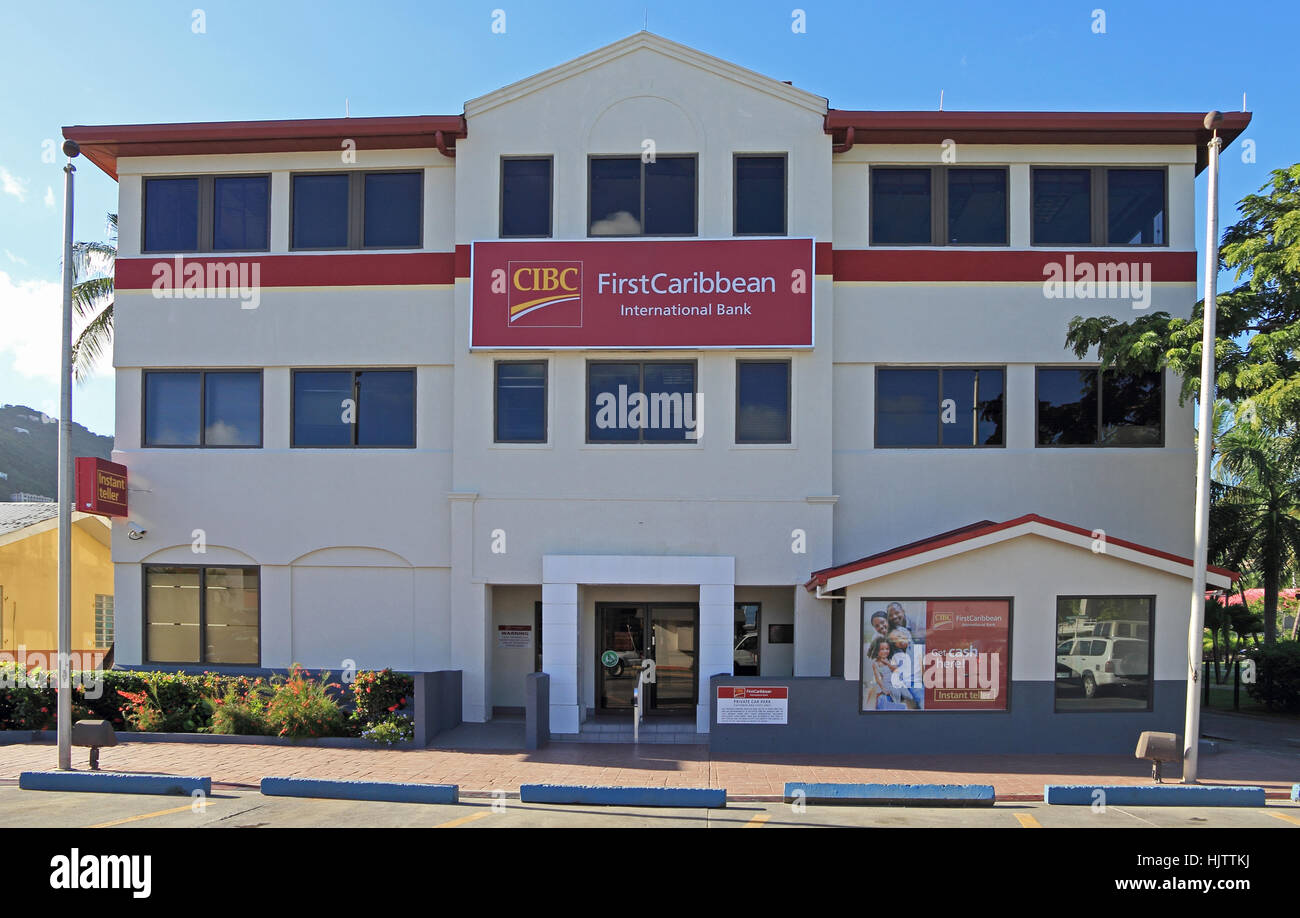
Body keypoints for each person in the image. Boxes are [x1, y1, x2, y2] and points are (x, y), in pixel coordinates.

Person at [888, 627, 925, 709]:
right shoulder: (895, 656)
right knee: (921, 699)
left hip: (924, 679)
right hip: (910, 683)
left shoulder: (920, 647)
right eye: (895, 641)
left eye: (899, 637)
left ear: (906, 635)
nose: (899, 641)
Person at [863, 636, 896, 710]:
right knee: (879, 697)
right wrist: (883, 689)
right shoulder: (876, 663)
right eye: (882, 649)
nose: (885, 651)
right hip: (882, 685)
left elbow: (896, 669)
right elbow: (878, 678)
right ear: (877, 651)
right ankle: (877, 709)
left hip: (892, 685)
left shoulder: (890, 660)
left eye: (887, 649)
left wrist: (888, 663)